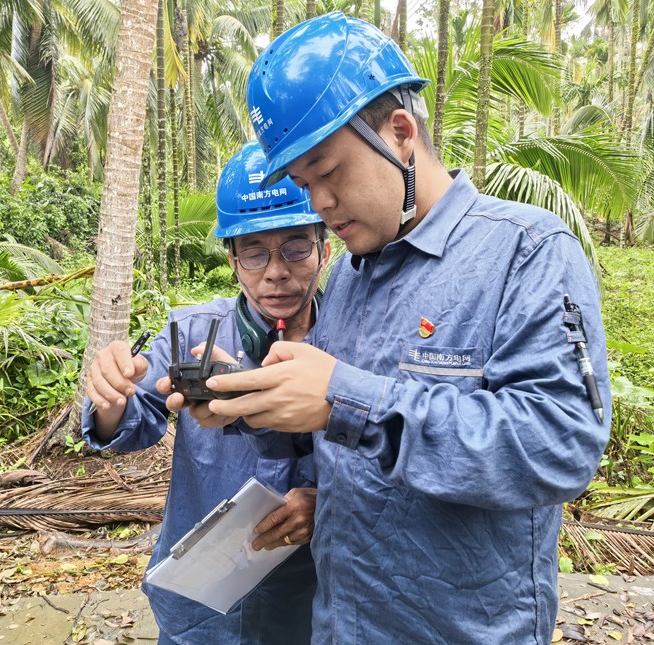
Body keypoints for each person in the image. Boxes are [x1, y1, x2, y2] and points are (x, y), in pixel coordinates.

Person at [190, 12, 612, 644]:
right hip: (342, 624)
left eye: (328, 172)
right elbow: (342, 441)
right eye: (304, 184)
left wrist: (345, 400)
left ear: (400, 132)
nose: (320, 205)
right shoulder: (351, 279)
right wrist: (252, 402)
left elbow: (559, 446)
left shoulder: (525, 252)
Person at [82, 141, 331, 644]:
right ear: (233, 259)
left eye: (295, 247)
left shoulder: (354, 338)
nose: (276, 271)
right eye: (255, 252)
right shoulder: (191, 332)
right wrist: (110, 402)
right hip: (200, 604)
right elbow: (136, 419)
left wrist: (325, 503)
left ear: (325, 247)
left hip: (305, 600)